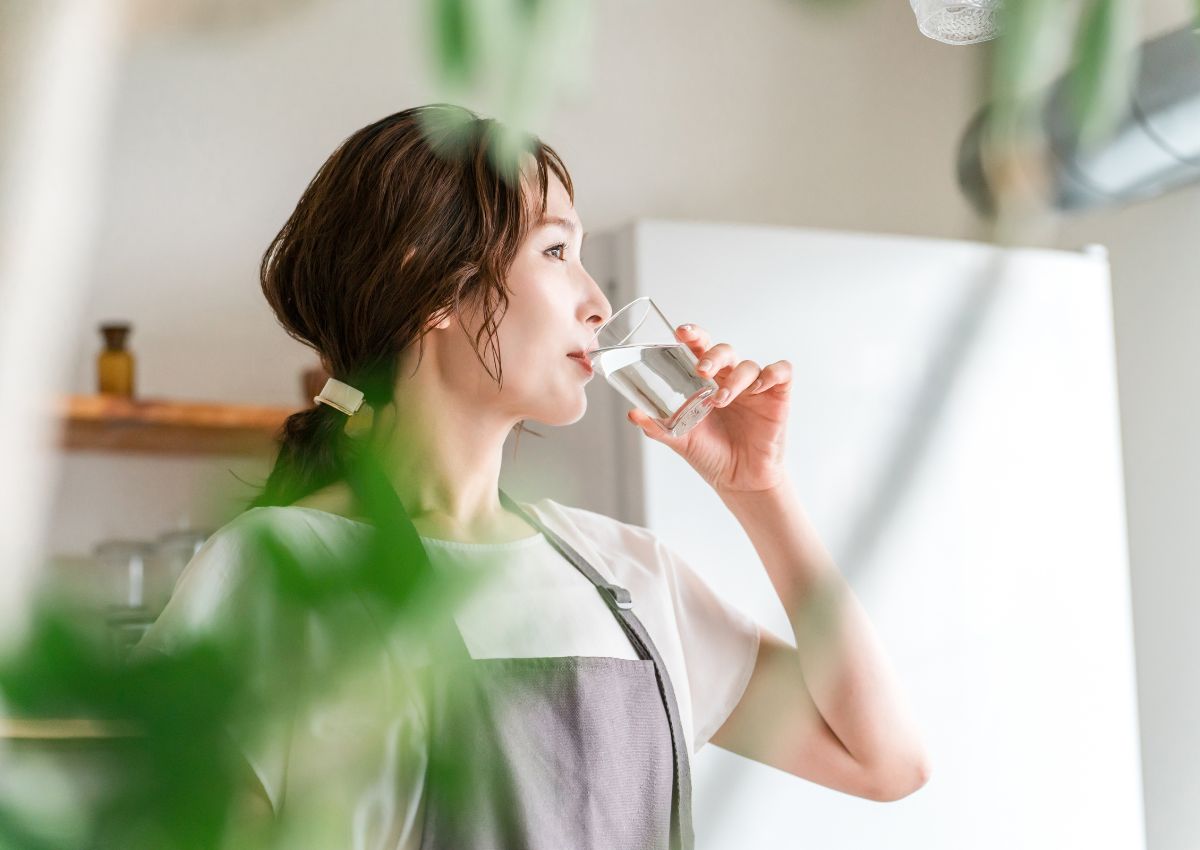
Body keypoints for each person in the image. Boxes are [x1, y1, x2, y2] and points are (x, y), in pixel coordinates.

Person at [136, 103, 930, 850]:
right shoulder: (272, 573)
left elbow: (884, 761)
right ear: (435, 286)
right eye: (556, 252)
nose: (596, 301)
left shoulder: (628, 575)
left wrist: (758, 492)